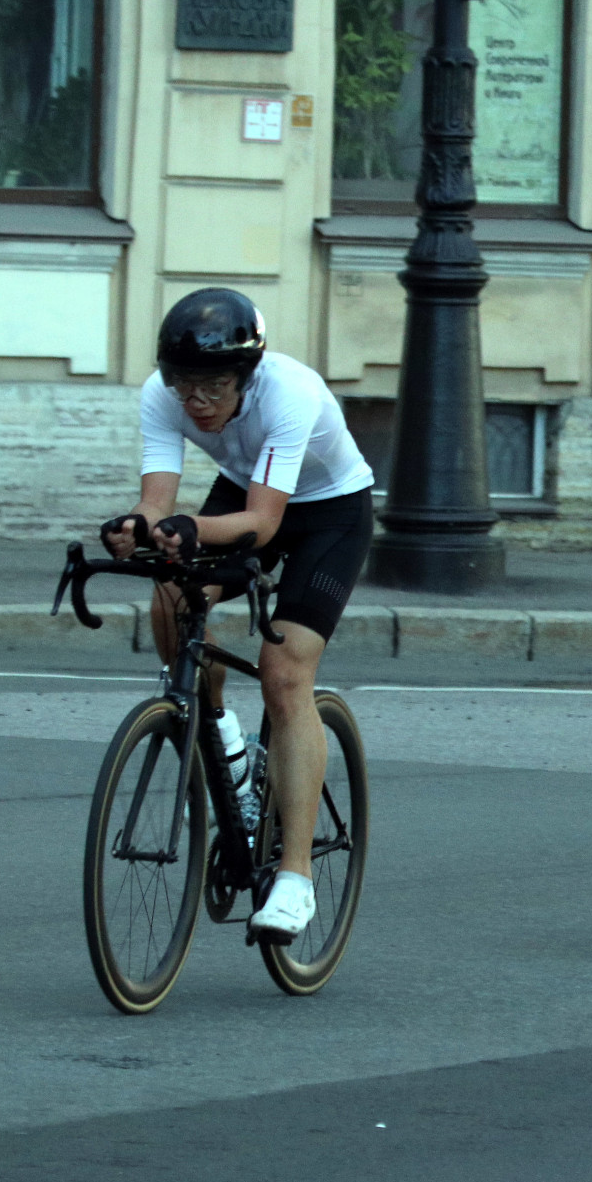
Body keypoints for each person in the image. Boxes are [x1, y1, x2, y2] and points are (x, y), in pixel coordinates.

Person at [101, 288, 376, 942]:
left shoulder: (289, 392)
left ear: (246, 378)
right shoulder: (161, 395)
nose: (196, 402)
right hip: (247, 488)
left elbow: (263, 522)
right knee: (170, 593)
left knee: (283, 670)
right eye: (184, 386)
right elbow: (157, 500)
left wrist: (185, 527)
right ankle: (223, 737)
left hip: (327, 513)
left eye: (213, 387)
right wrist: (134, 528)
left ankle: (295, 877)